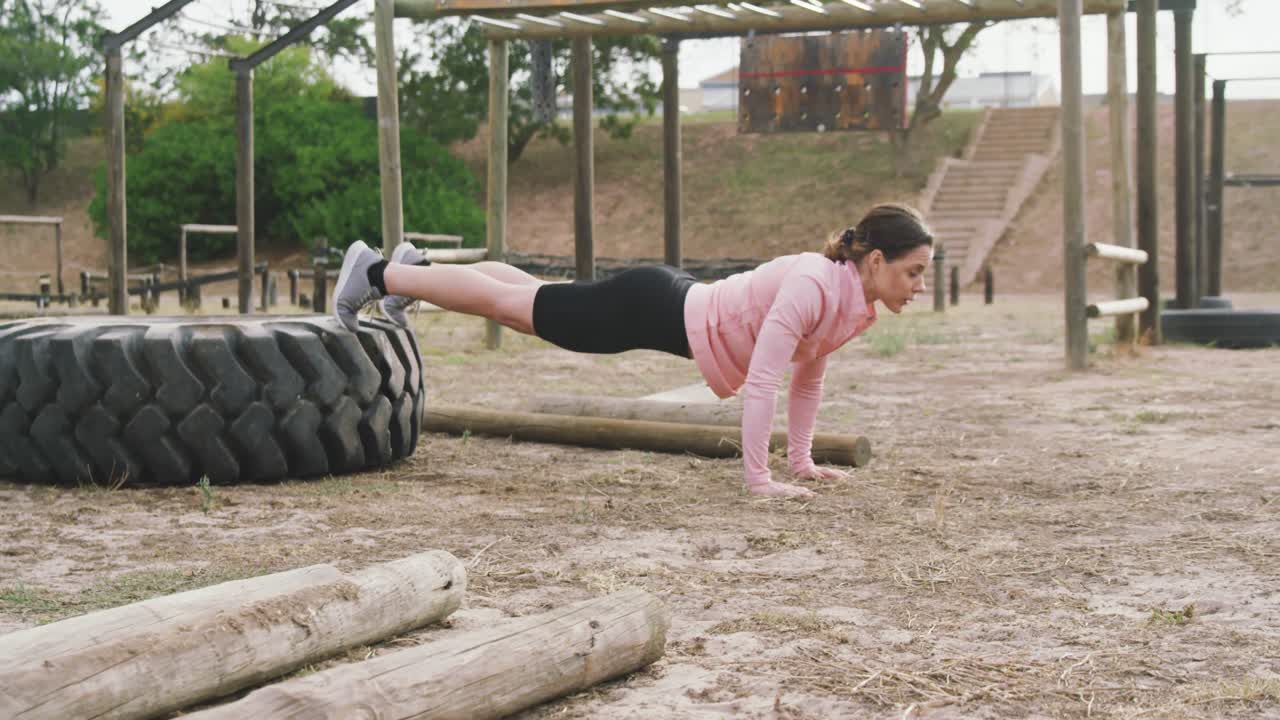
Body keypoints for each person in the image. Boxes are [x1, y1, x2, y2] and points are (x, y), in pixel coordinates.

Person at [333, 203, 934, 499]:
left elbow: (808, 380)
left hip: (665, 303)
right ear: (875, 262)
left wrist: (800, 463)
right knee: (518, 310)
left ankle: (417, 269)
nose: (919, 286)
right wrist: (759, 479)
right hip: (653, 307)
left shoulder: (850, 302)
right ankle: (380, 272)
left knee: (530, 299)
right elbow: (765, 381)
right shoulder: (813, 283)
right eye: (914, 273)